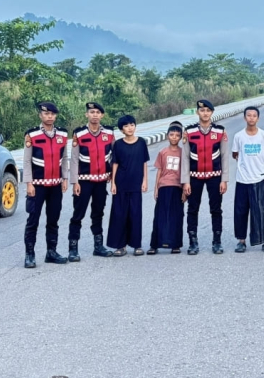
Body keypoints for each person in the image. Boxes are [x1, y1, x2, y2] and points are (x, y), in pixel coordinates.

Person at [22, 101, 69, 268]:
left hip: (55, 185)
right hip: (37, 185)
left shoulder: (62, 135)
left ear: (55, 116)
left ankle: (51, 252)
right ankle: (30, 254)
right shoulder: (32, 135)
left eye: (52, 114)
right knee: (33, 220)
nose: (49, 117)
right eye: (46, 114)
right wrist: (29, 183)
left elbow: (64, 159)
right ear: (40, 115)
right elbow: (26, 161)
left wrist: (65, 178)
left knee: (53, 219)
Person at [67, 102, 115, 262]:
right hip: (84, 181)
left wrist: (112, 176)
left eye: (98, 112)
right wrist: (75, 182)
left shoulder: (109, 132)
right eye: (92, 112)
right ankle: (73, 248)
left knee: (98, 213)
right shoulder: (79, 134)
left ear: (102, 115)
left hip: (101, 181)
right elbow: (73, 159)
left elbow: (114, 156)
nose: (95, 115)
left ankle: (98, 246)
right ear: (86, 114)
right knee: (78, 215)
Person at [181, 99, 229, 255]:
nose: (205, 113)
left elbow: (224, 156)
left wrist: (224, 179)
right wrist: (185, 181)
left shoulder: (220, 131)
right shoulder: (189, 132)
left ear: (212, 113)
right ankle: (193, 243)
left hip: (215, 177)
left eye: (208, 110)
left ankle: (217, 242)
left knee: (216, 209)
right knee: (192, 210)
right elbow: (185, 157)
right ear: (197, 112)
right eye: (202, 110)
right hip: (194, 177)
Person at [231, 106, 264, 253]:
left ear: (258, 118)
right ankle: (241, 241)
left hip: (260, 177)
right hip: (242, 178)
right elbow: (235, 153)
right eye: (248, 115)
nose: (251, 118)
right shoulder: (238, 136)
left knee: (261, 210)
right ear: (244, 118)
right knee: (241, 211)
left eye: (254, 116)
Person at [106, 115, 150, 256]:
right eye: (126, 126)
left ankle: (136, 245)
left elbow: (144, 163)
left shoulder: (141, 143)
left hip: (136, 183)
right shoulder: (118, 144)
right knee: (119, 214)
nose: (130, 128)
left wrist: (145, 181)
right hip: (121, 183)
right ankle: (121, 246)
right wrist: (113, 183)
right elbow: (115, 164)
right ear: (121, 129)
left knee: (135, 214)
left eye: (132, 125)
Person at [149, 121, 185, 255]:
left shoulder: (183, 153)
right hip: (164, 186)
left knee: (177, 216)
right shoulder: (162, 152)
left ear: (181, 137)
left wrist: (184, 190)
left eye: (177, 135)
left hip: (177, 187)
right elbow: (159, 171)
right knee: (160, 215)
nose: (174, 137)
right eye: (172, 134)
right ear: (167, 136)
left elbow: (185, 172)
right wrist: (156, 188)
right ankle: (155, 244)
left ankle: (175, 244)